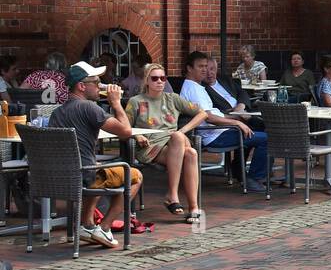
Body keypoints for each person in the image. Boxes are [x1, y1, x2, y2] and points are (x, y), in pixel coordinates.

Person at [47, 61, 141, 249]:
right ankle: (104, 228)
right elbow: (126, 132)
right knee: (135, 175)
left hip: (62, 177)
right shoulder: (89, 108)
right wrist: (115, 103)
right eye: (97, 82)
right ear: (82, 86)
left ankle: (87, 224)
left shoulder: (56, 113)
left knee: (98, 167)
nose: (101, 86)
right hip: (85, 175)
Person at [124, 63, 206, 221]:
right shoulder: (136, 101)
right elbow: (124, 126)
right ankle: (188, 204)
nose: (160, 81)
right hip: (150, 147)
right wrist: (136, 136)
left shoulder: (172, 98)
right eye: (155, 78)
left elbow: (202, 114)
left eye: (163, 78)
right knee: (191, 153)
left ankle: (180, 199)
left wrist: (183, 130)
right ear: (147, 81)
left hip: (175, 143)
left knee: (179, 139)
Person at [180, 51, 269, 191]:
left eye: (206, 66)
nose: (204, 70)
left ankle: (247, 173)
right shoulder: (193, 89)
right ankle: (254, 179)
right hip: (214, 136)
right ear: (189, 68)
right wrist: (237, 123)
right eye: (200, 66)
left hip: (221, 131)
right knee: (265, 139)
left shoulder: (196, 86)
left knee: (257, 130)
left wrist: (235, 118)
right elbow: (208, 117)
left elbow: (214, 114)